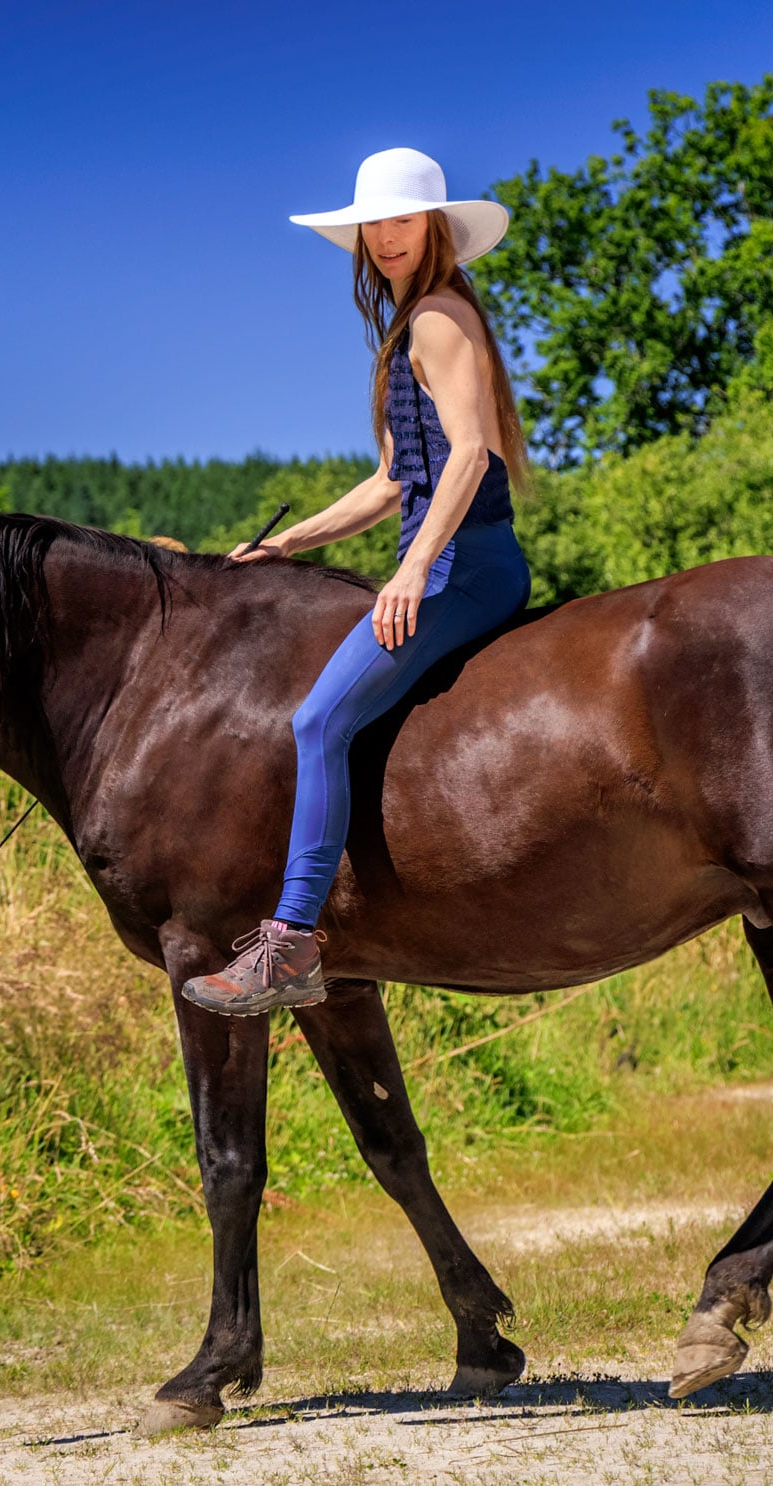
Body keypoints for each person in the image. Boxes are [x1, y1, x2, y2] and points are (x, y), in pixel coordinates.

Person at [180, 147, 532, 1018]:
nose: (385, 237)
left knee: (319, 717)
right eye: (373, 223)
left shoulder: (440, 320)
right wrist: (288, 542)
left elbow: (471, 454)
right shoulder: (412, 326)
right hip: (447, 554)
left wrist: (412, 568)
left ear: (435, 227)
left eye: (401, 220)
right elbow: (390, 481)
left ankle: (292, 943)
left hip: (467, 563)